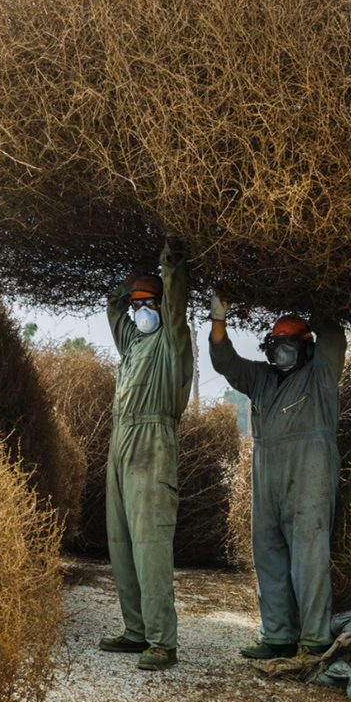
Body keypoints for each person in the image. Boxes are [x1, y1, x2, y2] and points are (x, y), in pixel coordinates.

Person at [208, 292, 346, 660]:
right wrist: (218, 320)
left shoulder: (321, 374)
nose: (282, 352)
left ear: (307, 346)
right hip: (266, 472)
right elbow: (224, 361)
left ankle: (315, 638)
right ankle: (278, 636)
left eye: (290, 344)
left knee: (309, 554)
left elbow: (333, 336)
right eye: (276, 344)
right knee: (267, 553)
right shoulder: (260, 378)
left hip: (310, 472)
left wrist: (318, 292)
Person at [98, 241, 194, 671]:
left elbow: (175, 310)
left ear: (160, 305)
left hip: (153, 445)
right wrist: (131, 279)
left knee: (151, 546)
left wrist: (167, 269)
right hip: (120, 447)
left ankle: (162, 642)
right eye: (137, 305)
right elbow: (112, 307)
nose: (140, 312)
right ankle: (136, 632)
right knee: (121, 544)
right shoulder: (133, 342)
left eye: (147, 304)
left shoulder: (171, 343)